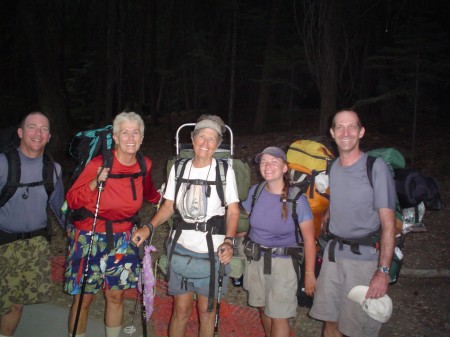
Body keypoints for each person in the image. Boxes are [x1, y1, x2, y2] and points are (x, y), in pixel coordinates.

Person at [132, 114, 240, 337]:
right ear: (192, 139)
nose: (205, 143)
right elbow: (169, 205)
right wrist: (148, 228)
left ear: (218, 144)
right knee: (180, 310)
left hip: (213, 252)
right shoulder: (179, 168)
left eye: (212, 139)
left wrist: (229, 241)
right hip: (180, 248)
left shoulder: (224, 171)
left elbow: (233, 210)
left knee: (207, 312)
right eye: (202, 137)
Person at [65, 112, 161, 337]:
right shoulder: (99, 163)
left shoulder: (144, 164)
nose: (130, 138)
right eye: (124, 132)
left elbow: (149, 193)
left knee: (116, 296)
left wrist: (167, 203)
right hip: (89, 236)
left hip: (125, 237)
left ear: (142, 137)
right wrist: (93, 182)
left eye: (135, 132)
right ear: (115, 137)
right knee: (83, 298)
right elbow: (72, 200)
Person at [309, 109, 396, 337]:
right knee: (330, 322)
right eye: (340, 127)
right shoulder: (334, 168)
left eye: (352, 127)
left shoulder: (375, 168)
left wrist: (382, 271)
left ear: (361, 132)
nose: (345, 132)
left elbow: (389, 225)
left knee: (358, 329)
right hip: (333, 257)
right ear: (332, 132)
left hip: (364, 260)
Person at [0, 111, 65, 337]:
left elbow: (60, 209)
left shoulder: (53, 170)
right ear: (20, 132)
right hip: (2, 245)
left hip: (34, 247)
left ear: (49, 137)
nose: (38, 133)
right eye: (32, 127)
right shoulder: (2, 164)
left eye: (44, 129)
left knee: (15, 304)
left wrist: (78, 236)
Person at [240, 146, 316, 337]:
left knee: (279, 316)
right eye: (264, 162)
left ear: (284, 168)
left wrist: (309, 273)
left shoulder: (297, 199)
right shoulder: (255, 192)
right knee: (264, 308)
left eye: (274, 161)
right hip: (256, 260)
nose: (267, 166)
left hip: (284, 265)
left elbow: (309, 239)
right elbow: (245, 225)